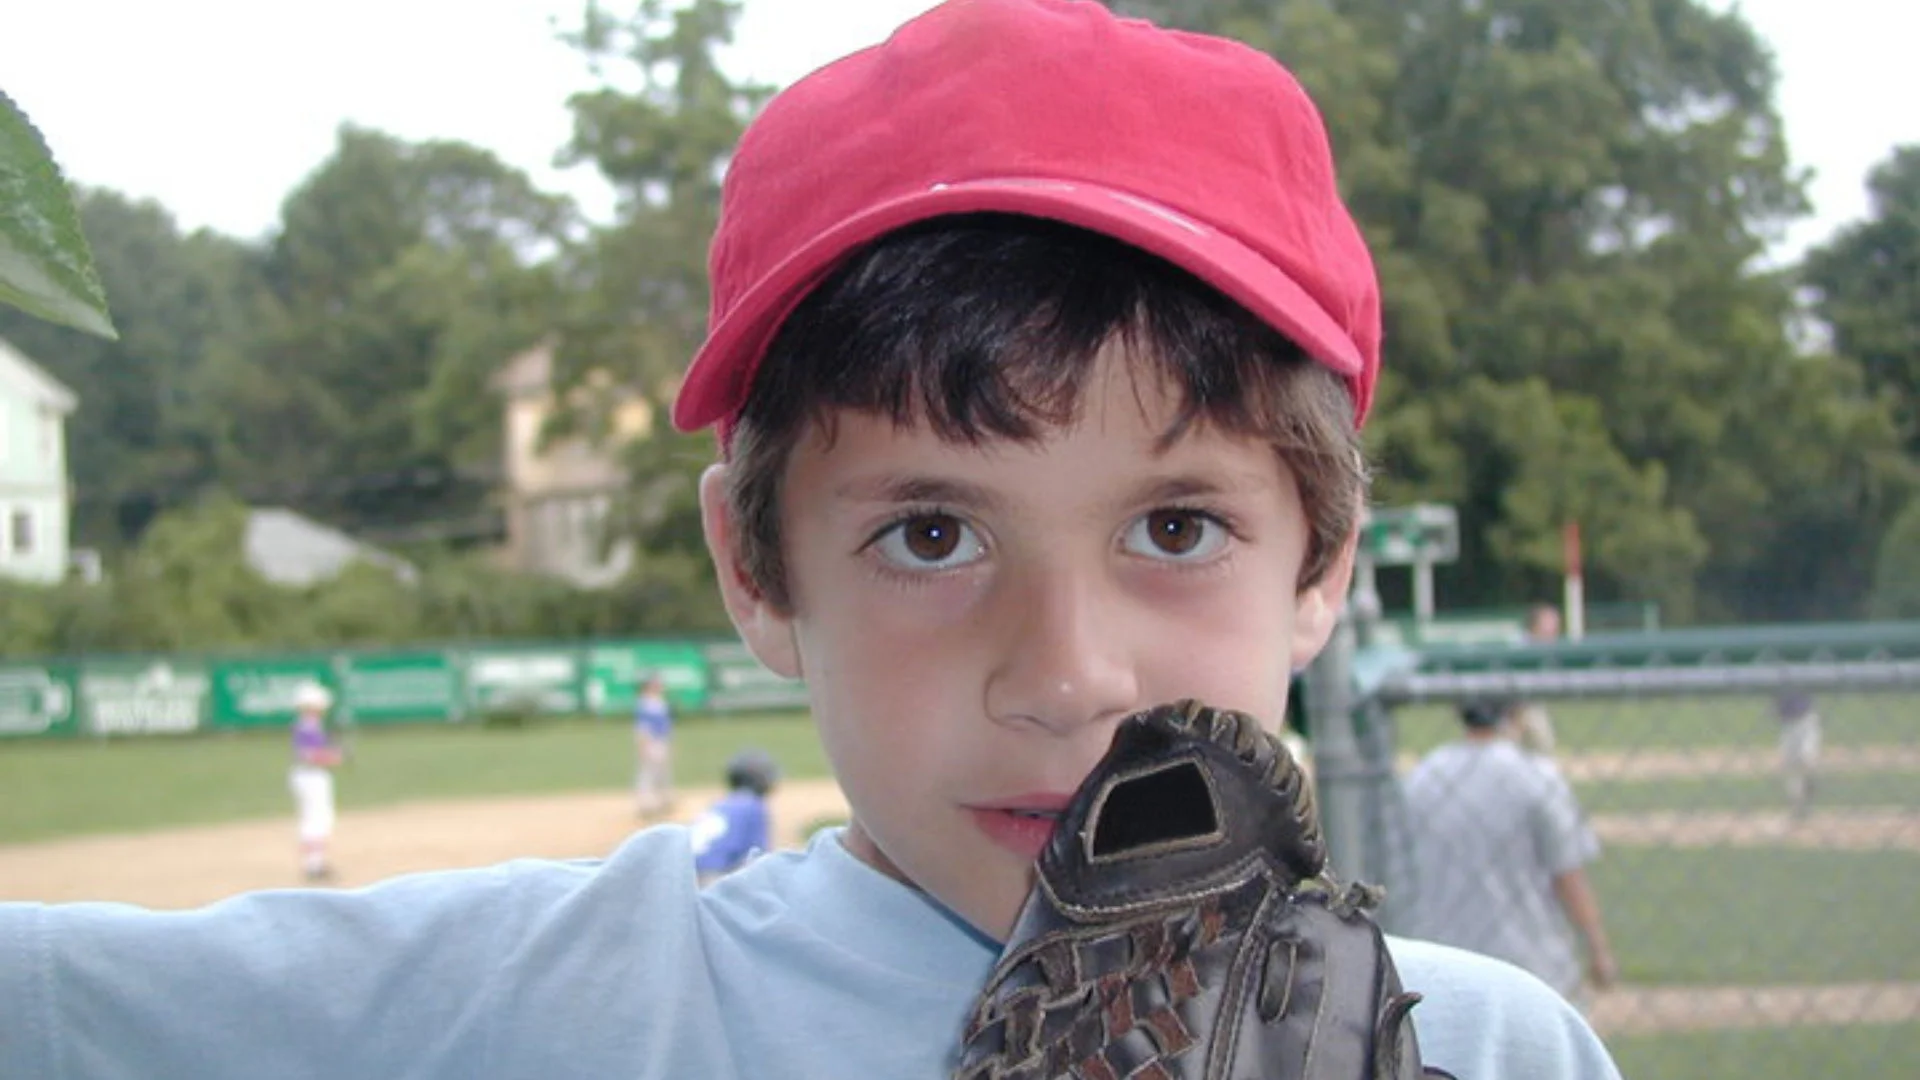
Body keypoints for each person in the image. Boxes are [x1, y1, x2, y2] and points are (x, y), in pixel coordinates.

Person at [0, 3, 1622, 1076]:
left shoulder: (1491, 1052)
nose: (1066, 676)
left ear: (1323, 562)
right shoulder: (547, 1012)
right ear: (757, 571)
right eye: (932, 534)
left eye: (1177, 524)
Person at [1402, 699, 1618, 1010]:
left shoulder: (1424, 774)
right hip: (1533, 967)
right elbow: (1568, 875)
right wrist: (1598, 950)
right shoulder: (1537, 776)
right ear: (1518, 710)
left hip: (1444, 963)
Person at [690, 749, 779, 885]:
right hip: (712, 879)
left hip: (686, 876)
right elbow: (760, 859)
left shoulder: (718, 804)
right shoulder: (754, 806)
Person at [287, 681, 344, 882]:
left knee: (314, 818)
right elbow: (309, 756)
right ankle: (314, 864)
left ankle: (314, 862)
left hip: (307, 775)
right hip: (311, 775)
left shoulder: (307, 726)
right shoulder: (309, 727)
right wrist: (334, 757)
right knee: (317, 819)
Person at [1511, 602, 1562, 755]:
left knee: (1542, 743)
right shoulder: (1520, 646)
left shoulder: (1547, 648)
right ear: (1535, 625)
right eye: (1548, 624)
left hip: (1529, 703)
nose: (1553, 629)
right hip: (1509, 705)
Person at [632, 672, 675, 817]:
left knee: (663, 772)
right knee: (648, 774)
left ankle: (664, 800)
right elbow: (642, 727)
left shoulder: (659, 701)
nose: (659, 686)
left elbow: (666, 724)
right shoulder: (644, 703)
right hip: (651, 741)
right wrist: (643, 745)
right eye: (655, 684)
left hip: (662, 741)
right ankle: (645, 805)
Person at [1774, 691, 1823, 819]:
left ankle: (1808, 802)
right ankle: (1796, 808)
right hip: (1788, 726)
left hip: (1805, 722)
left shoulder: (1800, 679)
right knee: (1791, 768)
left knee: (1807, 761)